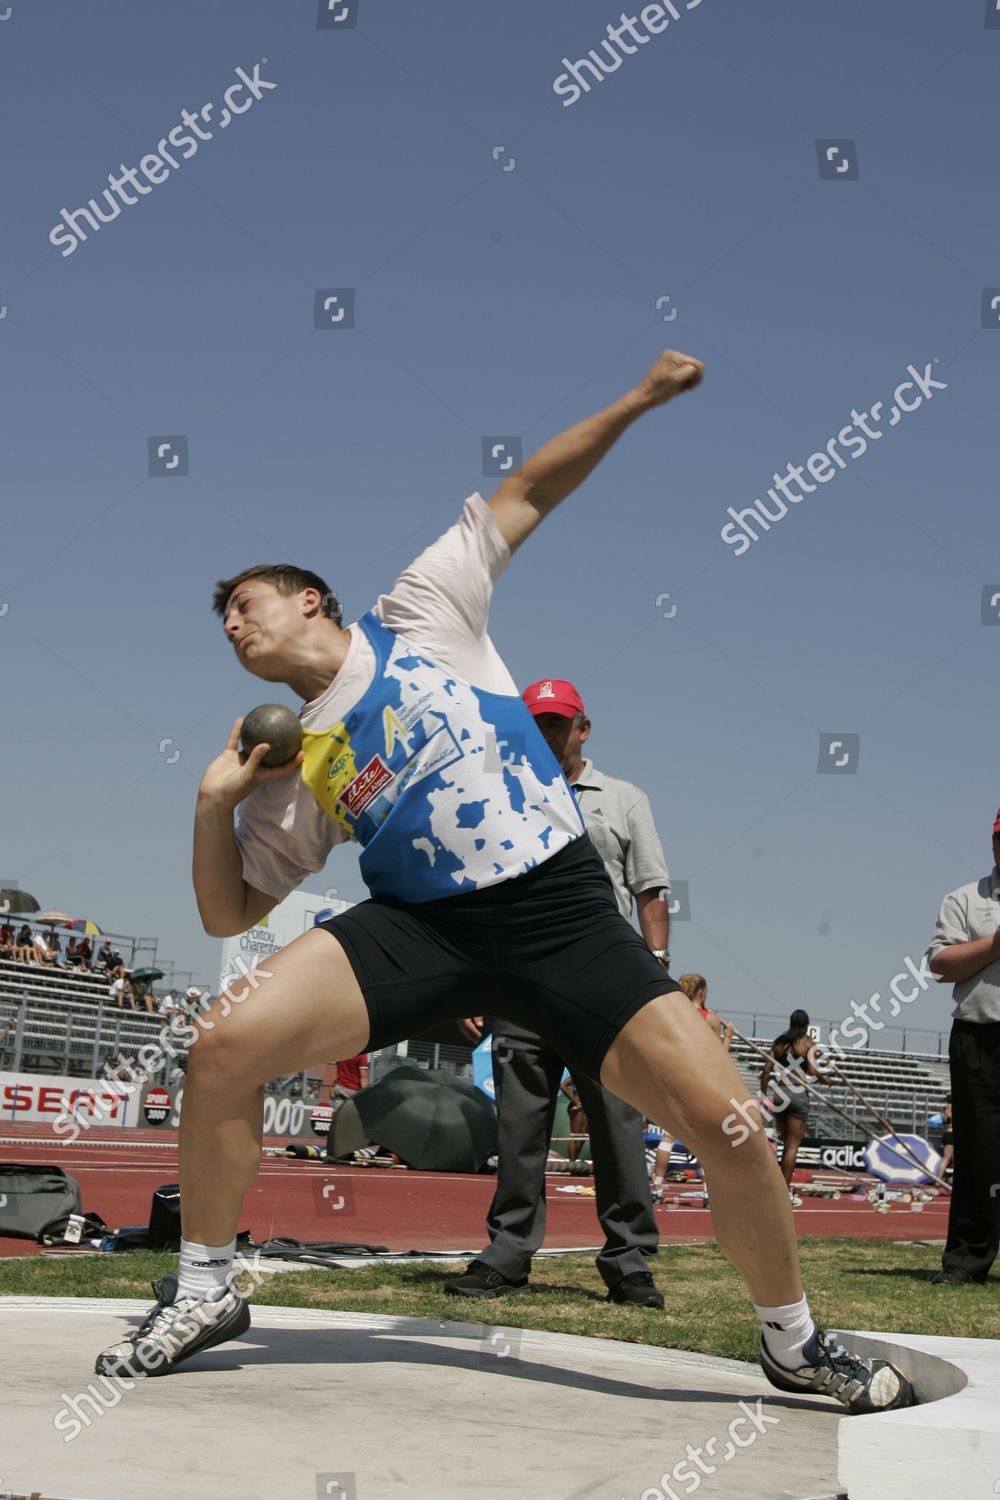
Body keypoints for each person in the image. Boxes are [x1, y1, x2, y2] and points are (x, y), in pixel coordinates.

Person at [93, 347, 911, 1415]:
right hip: (421, 929)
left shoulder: (422, 608)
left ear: (311, 598)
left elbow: (528, 490)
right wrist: (213, 802)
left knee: (734, 1127)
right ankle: (204, 1289)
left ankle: (794, 1342)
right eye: (224, 625)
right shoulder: (287, 772)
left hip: (558, 913)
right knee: (222, 1046)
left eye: (248, 603)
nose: (235, 625)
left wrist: (639, 398)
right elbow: (228, 910)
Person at [446, 677, 670, 1308]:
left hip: (607, 983)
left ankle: (629, 1261)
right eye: (536, 722)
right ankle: (508, 1253)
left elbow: (650, 891)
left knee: (619, 1125)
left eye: (557, 722)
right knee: (520, 1126)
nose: (546, 733)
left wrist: (656, 970)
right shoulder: (500, 796)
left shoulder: (625, 800)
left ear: (582, 729)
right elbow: (480, 893)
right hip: (522, 980)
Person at [924, 809, 1000, 1286]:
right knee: (976, 1153)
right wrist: (995, 944)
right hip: (980, 1036)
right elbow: (940, 964)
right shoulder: (965, 899)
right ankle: (966, 1261)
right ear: (993, 843)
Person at [650, 973, 733, 1200]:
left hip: (675, 1078)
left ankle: (657, 1188)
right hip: (701, 1081)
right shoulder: (710, 1019)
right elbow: (718, 1059)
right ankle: (708, 1193)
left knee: (668, 1137)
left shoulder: (674, 1015)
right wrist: (728, 1038)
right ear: (702, 992)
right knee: (707, 1140)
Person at [760, 1010, 829, 1207]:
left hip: (780, 1095)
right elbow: (813, 1071)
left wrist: (763, 1096)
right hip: (798, 1095)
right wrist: (826, 1079)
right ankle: (782, 1195)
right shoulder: (808, 1044)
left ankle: (775, 1190)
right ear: (806, 1025)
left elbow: (766, 1071)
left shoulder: (779, 1043)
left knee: (783, 1145)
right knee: (792, 1147)